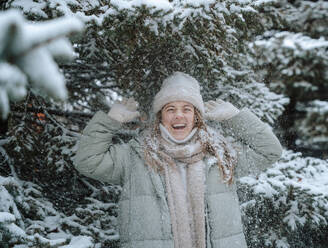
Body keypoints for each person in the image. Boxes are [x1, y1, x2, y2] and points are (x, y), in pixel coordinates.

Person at [74, 72, 282, 248]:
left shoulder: (220, 155)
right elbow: (88, 161)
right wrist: (109, 122)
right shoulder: (135, 156)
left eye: (187, 109)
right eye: (170, 109)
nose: (178, 116)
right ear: (161, 116)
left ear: (196, 116)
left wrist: (235, 118)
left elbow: (270, 151)